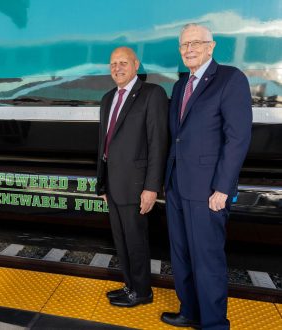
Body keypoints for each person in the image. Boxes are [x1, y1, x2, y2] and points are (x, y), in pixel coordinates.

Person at [161, 24, 252, 329]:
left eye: (196, 43)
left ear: (211, 46)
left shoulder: (230, 79)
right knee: (182, 255)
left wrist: (223, 189)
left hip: (208, 191)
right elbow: (178, 138)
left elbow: (237, 138)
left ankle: (213, 324)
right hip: (176, 186)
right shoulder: (180, 86)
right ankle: (190, 311)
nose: (189, 49)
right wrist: (166, 183)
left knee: (208, 260)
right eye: (184, 45)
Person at [96, 47, 168, 307]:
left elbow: (158, 144)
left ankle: (143, 292)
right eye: (113, 63)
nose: (117, 67)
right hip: (113, 185)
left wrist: (151, 187)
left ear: (136, 65)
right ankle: (130, 287)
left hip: (137, 186)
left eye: (123, 62)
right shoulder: (107, 99)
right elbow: (104, 146)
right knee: (122, 240)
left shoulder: (152, 94)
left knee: (136, 241)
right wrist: (101, 183)